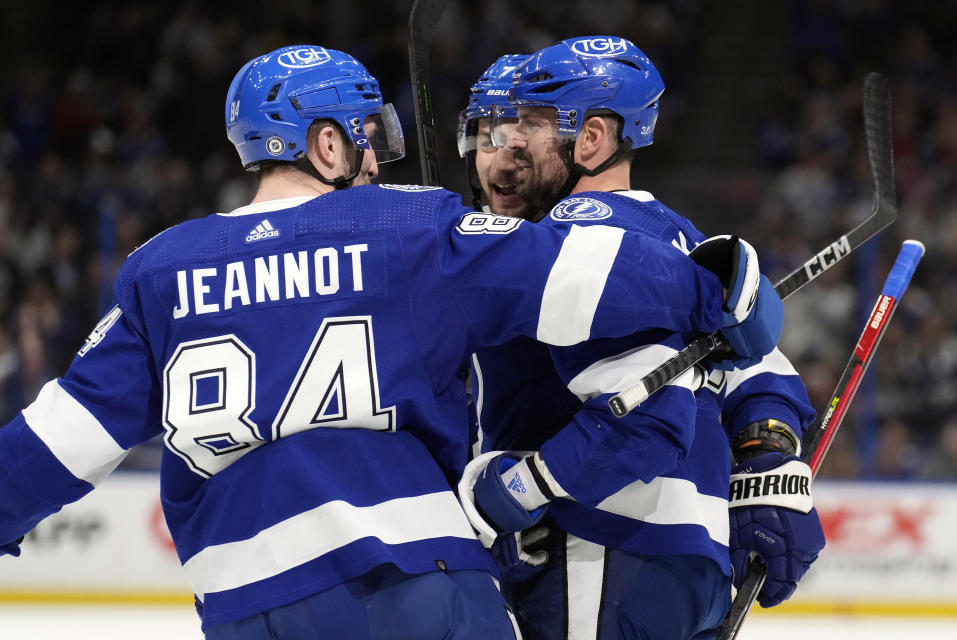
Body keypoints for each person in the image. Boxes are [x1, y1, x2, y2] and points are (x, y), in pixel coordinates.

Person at [0, 44, 781, 639]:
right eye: (368, 137)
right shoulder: (408, 226)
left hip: (245, 607)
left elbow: (57, 443)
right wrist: (720, 282)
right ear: (328, 146)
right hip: (419, 585)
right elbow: (580, 270)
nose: (379, 157)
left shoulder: (158, 270)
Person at [456, 38, 826, 639]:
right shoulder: (679, 236)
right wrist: (769, 462)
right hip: (695, 565)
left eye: (522, 133)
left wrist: (519, 490)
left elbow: (647, 416)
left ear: (591, 138)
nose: (503, 158)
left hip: (599, 548)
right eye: (489, 138)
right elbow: (762, 371)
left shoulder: (560, 246)